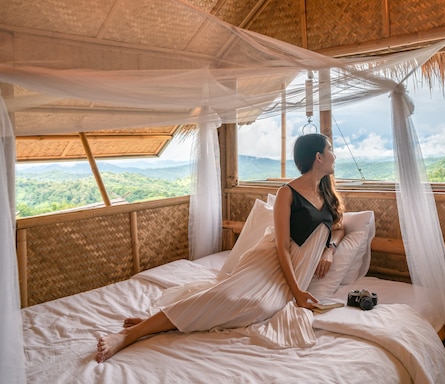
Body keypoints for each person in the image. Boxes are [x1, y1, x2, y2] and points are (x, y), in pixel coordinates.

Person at [96, 133, 345, 362]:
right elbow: (280, 246)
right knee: (233, 298)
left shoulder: (327, 195)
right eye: (331, 149)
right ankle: (130, 335)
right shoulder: (286, 193)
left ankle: (168, 321)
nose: (335, 154)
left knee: (258, 308)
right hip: (271, 265)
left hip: (296, 274)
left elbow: (339, 227)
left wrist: (329, 250)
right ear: (318, 157)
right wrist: (297, 292)